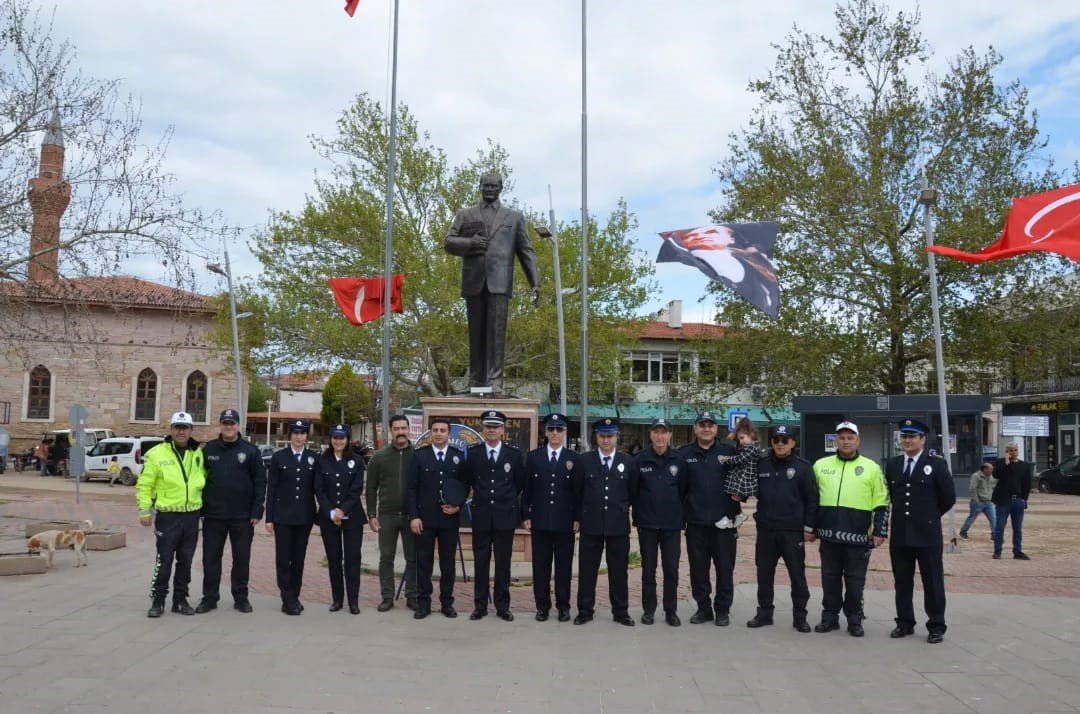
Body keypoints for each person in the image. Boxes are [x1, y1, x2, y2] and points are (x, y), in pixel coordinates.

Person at [444, 173, 540, 394]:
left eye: (493, 186)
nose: (489, 189)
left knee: (497, 334)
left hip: (500, 282)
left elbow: (526, 251)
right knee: (475, 333)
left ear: (500, 188)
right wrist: (470, 243)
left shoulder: (514, 217)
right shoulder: (465, 214)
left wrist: (535, 283)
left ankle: (495, 381)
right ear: (479, 187)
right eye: (485, 185)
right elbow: (449, 242)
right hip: (473, 280)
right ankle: (475, 381)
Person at [812, 421, 888, 637]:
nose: (845, 441)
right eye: (841, 437)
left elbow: (881, 502)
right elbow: (812, 500)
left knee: (855, 583)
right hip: (828, 536)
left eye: (850, 437)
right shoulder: (820, 465)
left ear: (858, 441)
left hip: (858, 537)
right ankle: (829, 617)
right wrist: (811, 527)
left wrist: (880, 531)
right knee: (829, 579)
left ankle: (855, 619)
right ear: (835, 441)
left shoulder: (872, 467)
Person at [884, 418, 956, 644]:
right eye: (904, 436)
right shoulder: (894, 464)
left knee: (932, 582)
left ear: (922, 439)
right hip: (901, 534)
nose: (907, 440)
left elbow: (948, 497)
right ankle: (904, 622)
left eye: (912, 436)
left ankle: (936, 625)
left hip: (927, 534)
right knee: (902, 582)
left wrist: (929, 517)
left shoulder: (936, 464)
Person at [136, 412, 207, 618]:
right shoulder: (157, 453)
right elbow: (145, 484)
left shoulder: (197, 453)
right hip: (168, 517)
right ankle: (158, 601)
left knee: (186, 561)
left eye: (185, 427)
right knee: (164, 560)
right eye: (177, 427)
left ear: (191, 430)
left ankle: (180, 600)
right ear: (171, 430)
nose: (181, 431)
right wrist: (144, 510)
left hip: (191, 515)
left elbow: (203, 478)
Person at [197, 408, 265, 614]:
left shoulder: (251, 451)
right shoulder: (208, 450)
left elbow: (260, 483)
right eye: (225, 423)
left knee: (241, 559)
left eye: (232, 423)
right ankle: (209, 598)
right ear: (221, 425)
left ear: (238, 425)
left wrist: (257, 511)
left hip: (242, 517)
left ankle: (241, 597)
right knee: (210, 559)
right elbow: (198, 481)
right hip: (213, 515)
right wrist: (199, 508)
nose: (228, 427)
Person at [749, 425, 817, 632]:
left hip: (792, 531)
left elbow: (812, 500)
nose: (780, 444)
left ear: (793, 443)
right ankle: (764, 614)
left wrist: (809, 527)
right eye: (776, 440)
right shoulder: (761, 465)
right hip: (767, 530)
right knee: (764, 575)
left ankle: (800, 617)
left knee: (797, 575)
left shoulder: (803, 467)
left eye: (784, 440)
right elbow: (749, 488)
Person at [461, 409, 525, 621]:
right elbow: (467, 482)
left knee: (503, 563)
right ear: (483, 428)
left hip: (504, 516)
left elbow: (519, 484)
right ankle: (480, 606)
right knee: (480, 562)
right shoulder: (473, 453)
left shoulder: (514, 455)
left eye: (496, 426)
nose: (491, 430)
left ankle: (502, 606)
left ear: (502, 430)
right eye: (488, 426)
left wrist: (503, 501)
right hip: (481, 516)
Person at [680, 410, 740, 626]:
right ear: (695, 428)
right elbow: (679, 489)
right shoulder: (684, 454)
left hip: (725, 523)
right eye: (702, 425)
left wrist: (741, 494)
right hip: (696, 523)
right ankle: (703, 609)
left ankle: (722, 610)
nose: (706, 429)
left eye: (710, 425)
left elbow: (744, 480)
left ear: (717, 429)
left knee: (725, 569)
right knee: (698, 570)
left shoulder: (730, 452)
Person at [575, 417, 636, 627]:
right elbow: (577, 492)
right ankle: (584, 610)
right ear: (596, 437)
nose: (606, 440)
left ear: (616, 437)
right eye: (602, 436)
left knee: (619, 571)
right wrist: (578, 518)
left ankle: (621, 612)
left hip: (617, 525)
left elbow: (633, 493)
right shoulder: (584, 461)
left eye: (610, 436)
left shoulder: (628, 462)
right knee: (587, 570)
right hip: (591, 524)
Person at [522, 413, 582, 623]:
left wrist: (577, 518)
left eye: (559, 429)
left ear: (565, 432)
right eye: (551, 429)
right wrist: (526, 514)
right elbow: (527, 489)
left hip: (565, 522)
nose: (555, 433)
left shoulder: (573, 458)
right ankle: (542, 606)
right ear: (545, 432)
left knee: (563, 567)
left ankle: (563, 606)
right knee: (541, 567)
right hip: (540, 520)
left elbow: (577, 493)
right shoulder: (533, 457)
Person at [407, 417, 466, 619]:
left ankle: (447, 603)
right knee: (424, 563)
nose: (439, 433)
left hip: (449, 520)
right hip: (425, 520)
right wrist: (414, 516)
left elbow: (465, 487)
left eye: (442, 430)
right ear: (430, 433)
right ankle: (423, 603)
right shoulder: (419, 456)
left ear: (449, 434)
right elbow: (411, 489)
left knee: (448, 564)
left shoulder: (458, 457)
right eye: (435, 430)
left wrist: (458, 506)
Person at [630, 417, 686, 627]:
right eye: (656, 432)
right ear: (650, 435)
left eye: (664, 432)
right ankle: (649, 610)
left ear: (670, 435)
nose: (660, 436)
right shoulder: (639, 460)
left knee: (671, 569)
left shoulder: (679, 461)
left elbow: (683, 491)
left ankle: (670, 611)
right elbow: (634, 492)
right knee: (648, 569)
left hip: (671, 524)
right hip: (648, 524)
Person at [366, 414, 418, 611]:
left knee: (412, 558)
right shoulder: (379, 457)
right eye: (396, 429)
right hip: (386, 515)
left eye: (403, 428)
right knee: (386, 557)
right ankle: (387, 596)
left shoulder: (418, 455)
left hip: (411, 516)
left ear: (409, 429)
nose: (401, 432)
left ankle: (412, 596)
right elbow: (371, 488)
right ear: (391, 431)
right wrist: (371, 515)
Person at [266, 418, 318, 616]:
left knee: (299, 559)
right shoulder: (279, 458)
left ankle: (294, 596)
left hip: (304, 517)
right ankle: (287, 598)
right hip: (283, 517)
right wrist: (269, 517)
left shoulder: (313, 458)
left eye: (302, 433)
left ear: (306, 436)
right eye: (295, 433)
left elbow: (318, 488)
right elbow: (272, 489)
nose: (298, 437)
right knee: (283, 559)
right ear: (290, 436)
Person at [315, 424, 367, 614]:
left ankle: (353, 601)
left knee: (352, 559)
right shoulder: (322, 461)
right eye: (335, 438)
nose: (338, 441)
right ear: (331, 439)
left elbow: (356, 490)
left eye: (342, 438)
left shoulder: (357, 461)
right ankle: (337, 600)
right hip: (328, 518)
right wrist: (331, 512)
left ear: (347, 440)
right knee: (334, 559)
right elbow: (319, 489)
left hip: (352, 516)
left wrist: (342, 511)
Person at [718, 417, 767, 525]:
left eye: (742, 438)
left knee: (733, 497)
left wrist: (727, 459)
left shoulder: (752, 448)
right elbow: (740, 445)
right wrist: (734, 435)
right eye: (739, 439)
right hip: (741, 476)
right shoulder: (749, 445)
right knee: (733, 497)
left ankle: (729, 518)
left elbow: (740, 458)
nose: (740, 441)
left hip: (744, 479)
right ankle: (738, 514)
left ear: (751, 434)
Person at [992, 443, 1031, 560]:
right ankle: (997, 551)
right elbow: (995, 475)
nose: (1013, 452)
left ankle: (1017, 551)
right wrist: (1006, 463)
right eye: (1010, 450)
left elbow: (1027, 484)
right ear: (1006, 452)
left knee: (1017, 528)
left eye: (1015, 450)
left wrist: (1024, 499)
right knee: (1000, 526)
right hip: (1003, 500)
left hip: (1017, 501)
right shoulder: (1000, 463)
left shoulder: (1024, 466)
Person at [959, 463, 996, 540]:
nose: (992, 471)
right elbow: (972, 488)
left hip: (988, 502)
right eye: (990, 469)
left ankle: (994, 535)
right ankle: (963, 531)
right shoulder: (976, 476)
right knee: (972, 517)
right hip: (978, 502)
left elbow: (993, 485)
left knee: (993, 518)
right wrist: (976, 500)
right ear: (985, 469)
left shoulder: (991, 477)